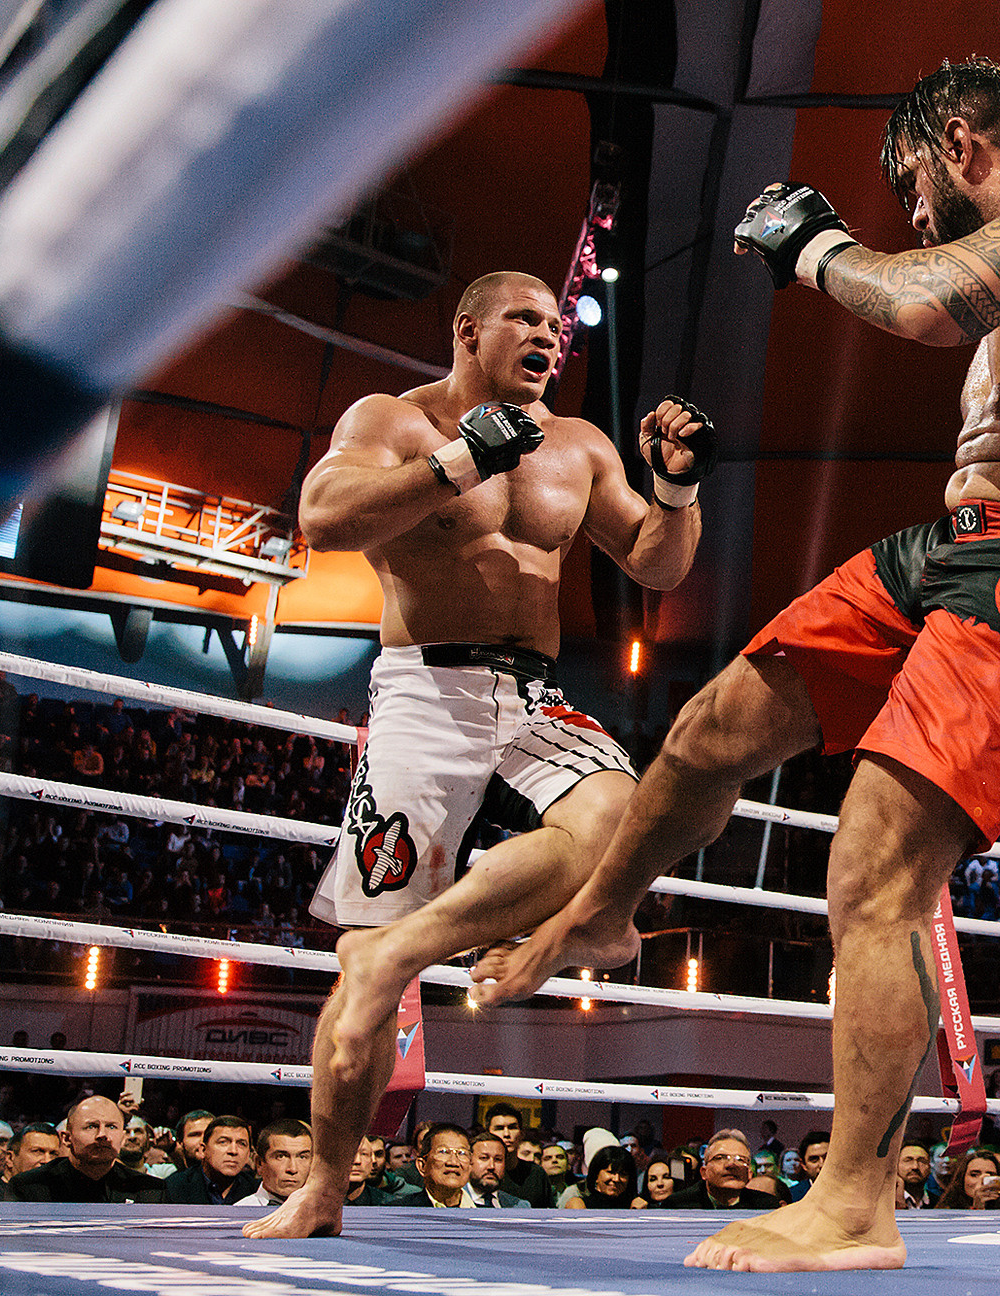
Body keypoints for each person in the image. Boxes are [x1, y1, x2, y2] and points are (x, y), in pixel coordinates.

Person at [472, 55, 1000, 1272]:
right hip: (956, 545)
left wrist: (816, 247)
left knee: (874, 867)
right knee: (709, 729)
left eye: (914, 187)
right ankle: (601, 915)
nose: (913, 219)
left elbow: (931, 304)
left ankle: (855, 1205)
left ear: (958, 143)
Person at [245, 270, 708, 1241]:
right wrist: (457, 463)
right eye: (524, 319)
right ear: (468, 330)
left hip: (532, 696)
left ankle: (407, 949)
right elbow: (323, 517)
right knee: (363, 981)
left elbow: (657, 563)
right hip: (423, 697)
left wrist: (676, 484)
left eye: (555, 324)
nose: (548, 335)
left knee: (618, 815)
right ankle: (322, 1188)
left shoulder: (579, 444)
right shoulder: (396, 419)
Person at [7, 1096, 165, 1204]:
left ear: (122, 1138)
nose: (102, 1135)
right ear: (66, 1138)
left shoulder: (150, 1190)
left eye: (111, 1127)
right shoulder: (29, 1187)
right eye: (91, 1126)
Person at [666, 1131, 781, 1210]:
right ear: (704, 1172)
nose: (731, 1164)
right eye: (720, 1158)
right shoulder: (678, 1205)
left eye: (740, 1159)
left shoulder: (766, 1207)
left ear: (749, 1174)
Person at [165, 1115, 257, 1205]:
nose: (233, 1151)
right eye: (223, 1142)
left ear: (248, 1154)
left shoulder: (255, 1190)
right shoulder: (176, 1187)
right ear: (203, 1150)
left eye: (242, 1144)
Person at [236, 1120, 314, 1208]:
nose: (293, 1169)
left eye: (302, 1157)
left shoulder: (323, 1212)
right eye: (281, 1157)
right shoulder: (238, 1211)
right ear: (259, 1164)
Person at [468, 1133, 531, 1208]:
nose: (491, 1166)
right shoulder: (457, 1201)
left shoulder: (519, 1207)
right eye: (484, 1158)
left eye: (498, 1159)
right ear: (469, 1160)